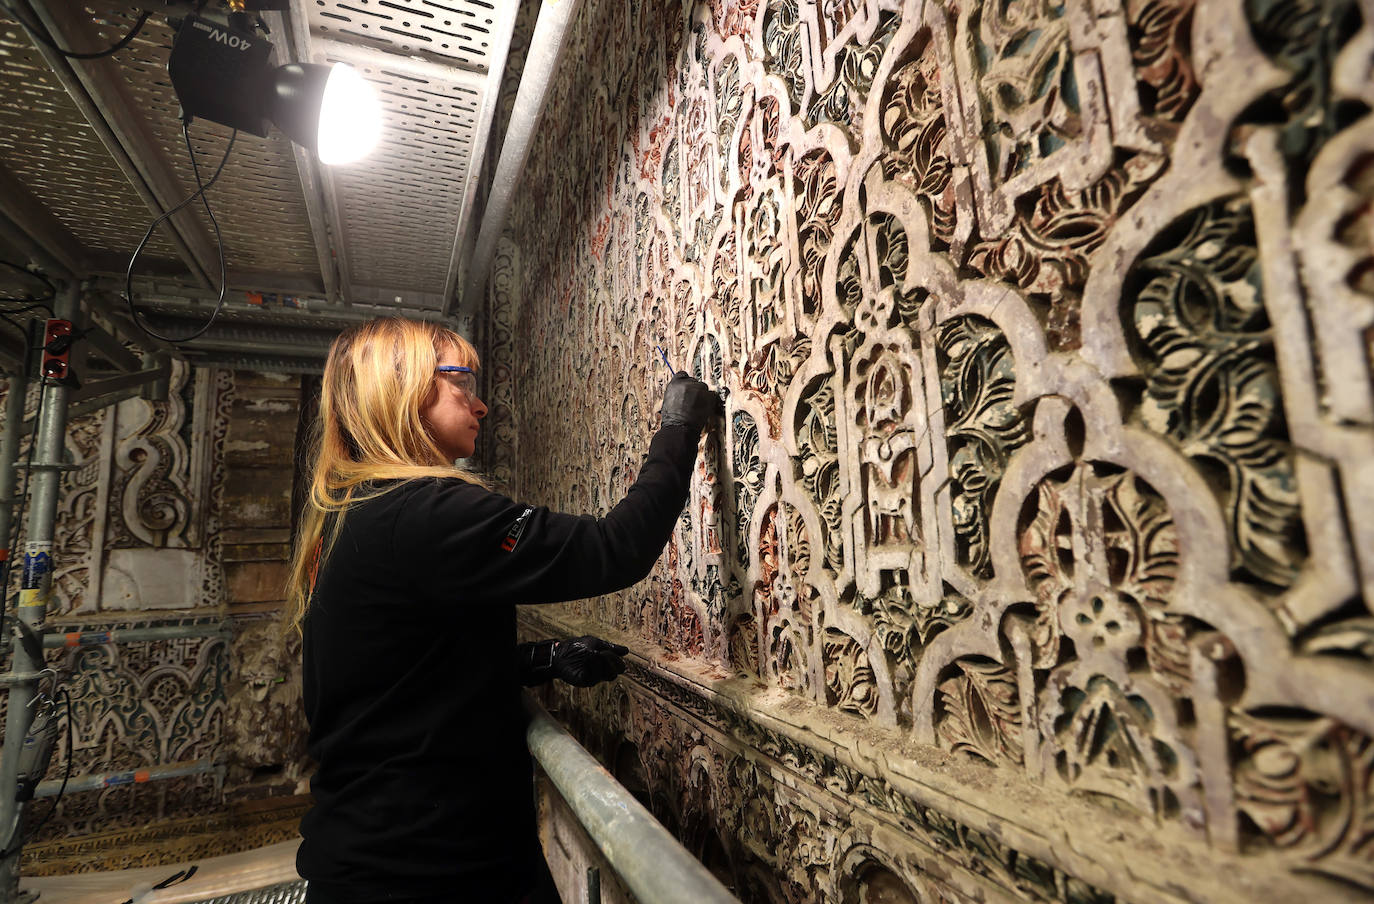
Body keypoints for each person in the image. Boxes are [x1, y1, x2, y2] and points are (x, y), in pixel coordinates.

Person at [285, 317, 720, 904]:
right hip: (431, 874)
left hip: (384, 862)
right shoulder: (425, 514)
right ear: (403, 387)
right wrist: (677, 427)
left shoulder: (354, 516)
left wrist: (545, 657)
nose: (481, 405)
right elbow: (614, 550)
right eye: (460, 380)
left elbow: (405, 673)